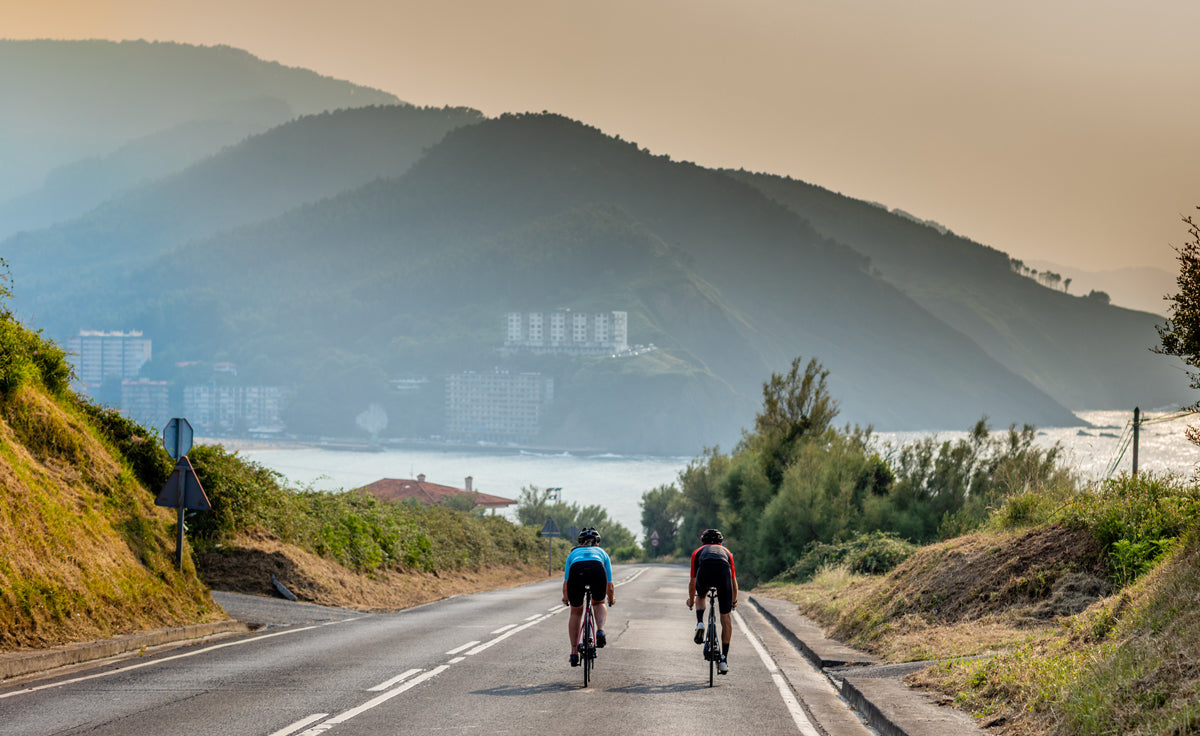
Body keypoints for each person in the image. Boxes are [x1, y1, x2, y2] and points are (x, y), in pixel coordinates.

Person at [561, 527, 615, 667]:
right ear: (597, 543)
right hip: (597, 569)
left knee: (576, 611)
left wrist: (566, 598)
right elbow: (609, 585)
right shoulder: (602, 553)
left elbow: (566, 583)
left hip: (576, 572)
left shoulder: (573, 554)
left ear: (580, 542)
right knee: (598, 602)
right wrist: (611, 598)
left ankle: (574, 652)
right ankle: (600, 630)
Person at [687, 528, 737, 675]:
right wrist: (733, 601)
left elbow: (692, 582)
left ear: (703, 541)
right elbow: (734, 582)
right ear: (721, 541)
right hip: (723, 572)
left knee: (701, 596)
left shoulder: (697, 552)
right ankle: (723, 661)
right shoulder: (727, 553)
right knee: (725, 618)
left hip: (705, 569)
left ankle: (700, 622)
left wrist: (691, 600)